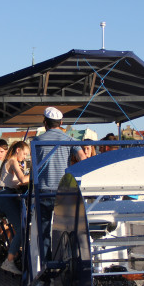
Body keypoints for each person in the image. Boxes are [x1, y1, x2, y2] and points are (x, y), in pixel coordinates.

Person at [33, 107, 86, 259]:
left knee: (44, 230)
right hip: (63, 191)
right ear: (61, 122)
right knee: (67, 228)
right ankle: (67, 259)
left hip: (43, 190)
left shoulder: (37, 141)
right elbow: (83, 159)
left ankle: (47, 265)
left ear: (45, 122)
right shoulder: (70, 140)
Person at [0, 141, 30, 275]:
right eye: (25, 153)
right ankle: (9, 261)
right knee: (22, 228)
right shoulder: (13, 161)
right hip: (5, 196)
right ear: (18, 150)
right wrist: (37, 174)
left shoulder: (11, 162)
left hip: (4, 195)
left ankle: (15, 254)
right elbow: (22, 179)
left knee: (23, 226)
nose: (25, 157)